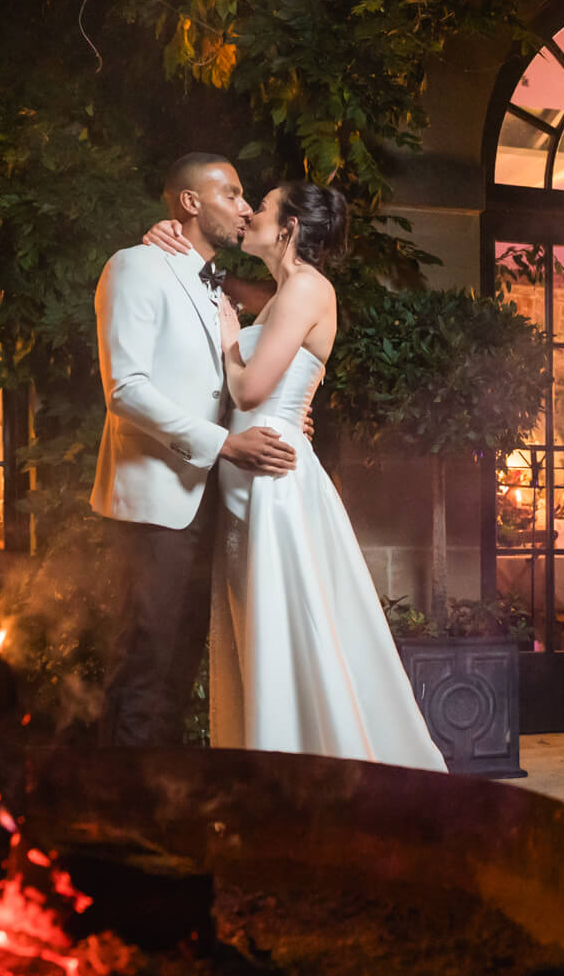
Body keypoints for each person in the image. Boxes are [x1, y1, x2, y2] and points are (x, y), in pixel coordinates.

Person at [146, 182, 446, 769]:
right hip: (251, 469)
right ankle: (269, 760)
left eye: (260, 206)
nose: (248, 213)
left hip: (273, 482)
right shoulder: (284, 292)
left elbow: (251, 388)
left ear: (287, 228)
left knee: (285, 623)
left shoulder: (308, 288)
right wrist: (167, 241)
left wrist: (232, 340)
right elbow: (237, 327)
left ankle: (301, 763)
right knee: (260, 625)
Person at [90, 153, 299, 749]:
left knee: (179, 672)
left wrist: (290, 410)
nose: (244, 207)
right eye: (231, 195)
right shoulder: (135, 266)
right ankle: (114, 817)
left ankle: (158, 810)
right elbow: (125, 390)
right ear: (189, 203)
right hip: (154, 504)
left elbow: (231, 379)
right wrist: (226, 443)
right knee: (144, 667)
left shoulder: (214, 287)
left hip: (207, 500)